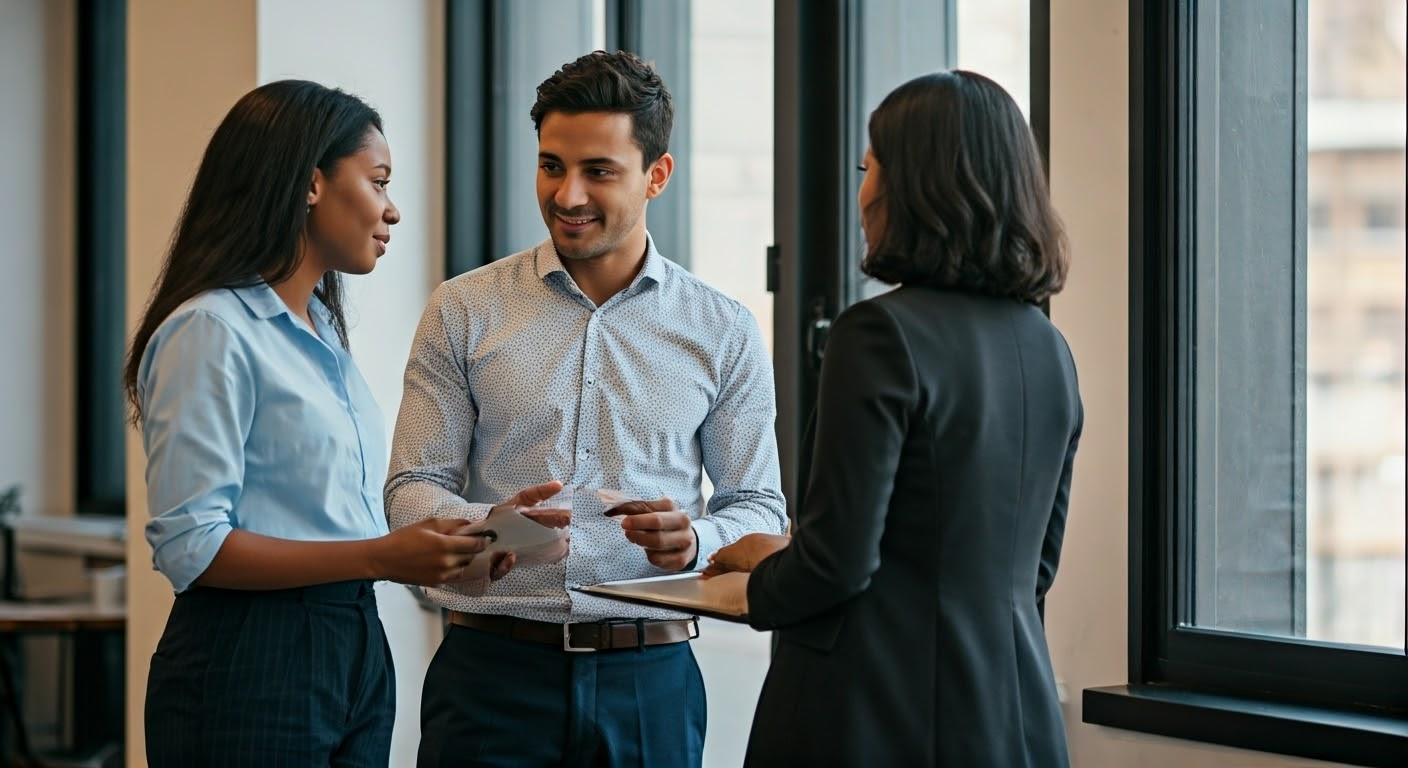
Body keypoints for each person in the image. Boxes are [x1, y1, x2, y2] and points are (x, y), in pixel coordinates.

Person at [125, 79, 556, 767]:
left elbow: (323, 516)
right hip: (249, 655)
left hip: (351, 641)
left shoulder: (321, 328)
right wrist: (381, 556)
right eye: (378, 181)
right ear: (308, 184)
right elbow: (191, 547)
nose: (392, 210)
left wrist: (467, 537)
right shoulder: (209, 329)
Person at [385, 50, 787, 767]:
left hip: (649, 682)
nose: (567, 194)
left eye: (598, 171)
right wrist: (500, 532)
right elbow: (410, 490)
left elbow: (759, 504)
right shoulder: (463, 308)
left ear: (656, 175)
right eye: (550, 166)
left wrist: (694, 540)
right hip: (489, 678)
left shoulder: (721, 328)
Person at [705, 70, 1081, 766]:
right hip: (1009, 717)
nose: (862, 190)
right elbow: (1033, 568)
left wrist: (759, 573)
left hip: (876, 716)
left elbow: (836, 565)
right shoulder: (1048, 348)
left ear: (911, 187)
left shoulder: (879, 334)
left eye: (868, 165)